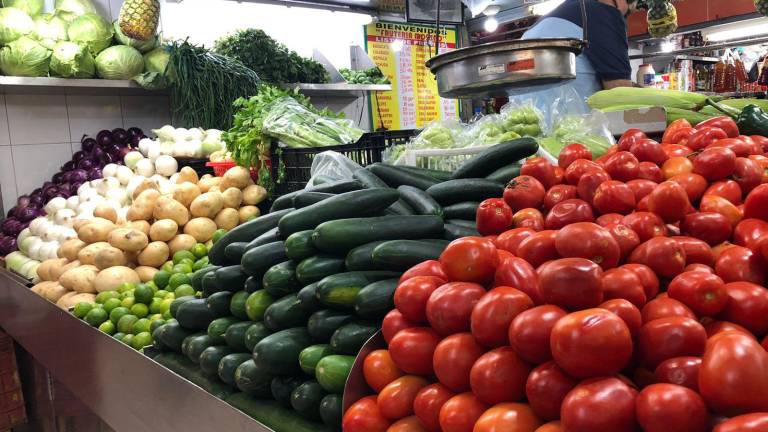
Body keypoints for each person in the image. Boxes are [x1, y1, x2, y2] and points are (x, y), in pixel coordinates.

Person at [522, 0, 640, 100]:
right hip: (569, 117)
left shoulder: (540, 23)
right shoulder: (605, 12)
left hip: (522, 116)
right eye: (628, 12)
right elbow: (620, 93)